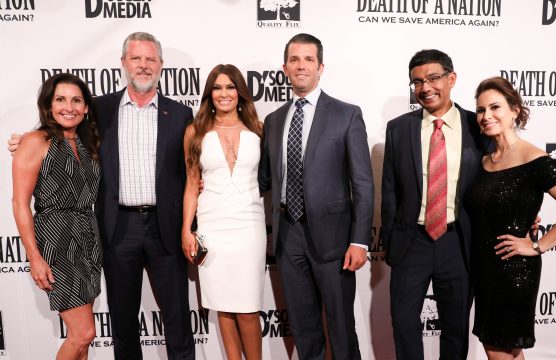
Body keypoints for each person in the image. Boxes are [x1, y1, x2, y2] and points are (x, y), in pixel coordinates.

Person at [7, 32, 195, 360]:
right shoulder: (100, 109)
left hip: (165, 227)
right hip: (116, 228)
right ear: (123, 63)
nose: (143, 65)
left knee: (178, 322)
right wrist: (25, 139)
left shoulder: (180, 115)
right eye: (136, 58)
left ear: (162, 66)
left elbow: (193, 164)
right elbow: (58, 131)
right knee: (122, 325)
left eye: (151, 59)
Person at [258, 33, 374, 360]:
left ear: (321, 67)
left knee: (340, 327)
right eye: (294, 59)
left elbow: (363, 183)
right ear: (285, 68)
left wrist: (360, 241)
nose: (301, 66)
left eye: (308, 59)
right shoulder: (274, 120)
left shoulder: (346, 114)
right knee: (304, 328)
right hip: (288, 235)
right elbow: (263, 178)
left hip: (336, 240)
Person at [466, 76, 556, 360]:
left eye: (495, 107)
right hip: (484, 269)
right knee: (506, 351)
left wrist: (537, 245)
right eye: (480, 110)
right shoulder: (485, 159)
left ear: (514, 110)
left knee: (499, 350)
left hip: (513, 270)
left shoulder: (534, 158)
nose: (486, 116)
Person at [381, 49, 488, 360]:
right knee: (402, 323)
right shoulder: (398, 128)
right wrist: (390, 239)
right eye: (417, 82)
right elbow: (390, 189)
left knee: (455, 327)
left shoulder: (477, 126)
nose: (425, 87)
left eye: (433, 78)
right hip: (410, 241)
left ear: (451, 79)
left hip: (459, 241)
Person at [12, 73, 102, 360]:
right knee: (83, 333)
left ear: (86, 107)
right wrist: (34, 257)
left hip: (88, 238)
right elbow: (20, 204)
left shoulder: (89, 145)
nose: (69, 107)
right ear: (48, 106)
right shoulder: (36, 141)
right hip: (56, 240)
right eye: (60, 100)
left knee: (84, 341)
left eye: (76, 100)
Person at [181, 64, 265, 360]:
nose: (224, 93)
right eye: (217, 87)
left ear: (240, 92)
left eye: (230, 87)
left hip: (250, 225)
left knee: (248, 308)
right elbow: (192, 184)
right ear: (209, 93)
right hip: (212, 225)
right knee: (224, 306)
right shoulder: (196, 131)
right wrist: (186, 230)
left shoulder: (258, 128)